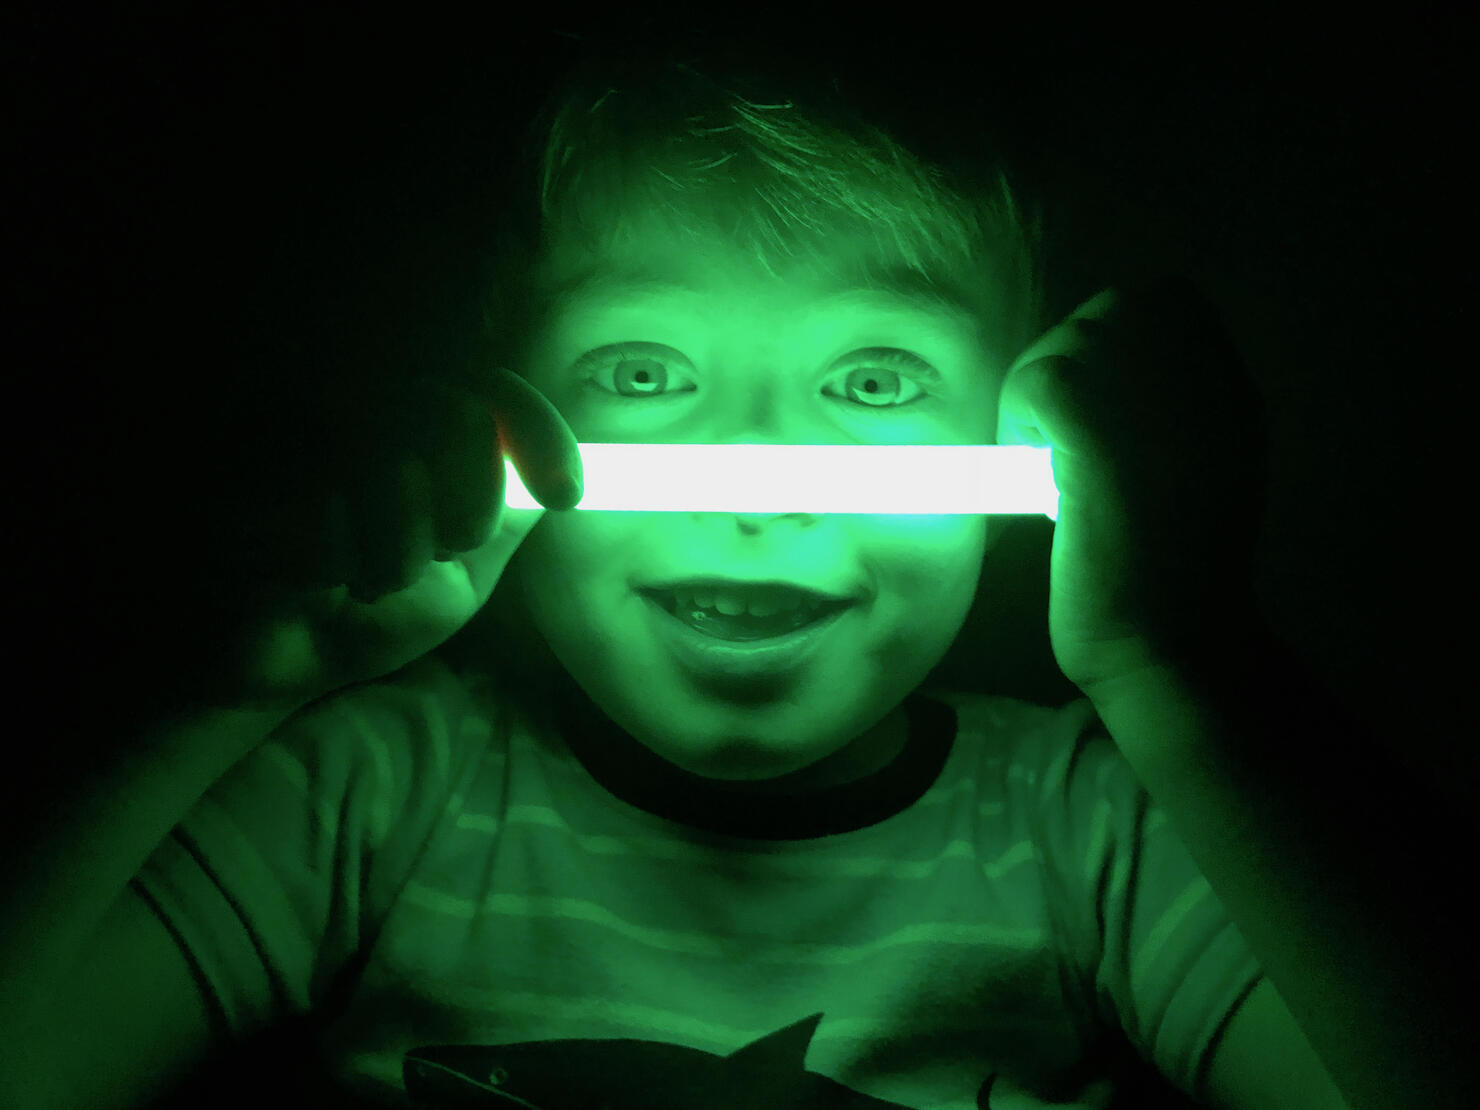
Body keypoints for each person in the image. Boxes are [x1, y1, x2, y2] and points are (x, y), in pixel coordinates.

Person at [2, 37, 1455, 1110]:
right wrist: (210, 685)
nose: (762, 481)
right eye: (644, 369)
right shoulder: (376, 790)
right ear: (502, 402)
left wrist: (1182, 660)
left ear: (1028, 423)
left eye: (875, 378)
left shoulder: (1086, 828)